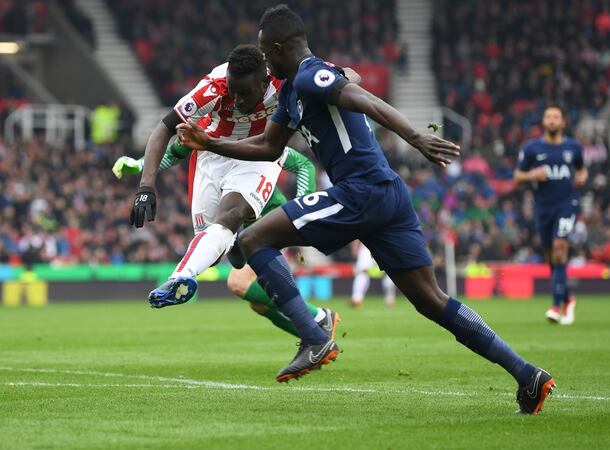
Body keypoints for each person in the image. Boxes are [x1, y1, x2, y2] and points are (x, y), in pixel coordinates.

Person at [177, 4, 554, 415]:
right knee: (432, 300)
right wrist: (210, 143)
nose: (265, 64)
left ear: (282, 47)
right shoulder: (290, 92)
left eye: (267, 54)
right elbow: (268, 146)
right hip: (386, 195)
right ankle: (527, 374)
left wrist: (415, 136)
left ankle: (315, 335)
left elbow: (363, 97)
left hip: (362, 191)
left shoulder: (309, 74)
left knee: (252, 238)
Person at [129, 44, 339, 336]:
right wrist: (146, 187)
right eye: (233, 90)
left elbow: (343, 77)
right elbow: (164, 129)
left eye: (245, 93)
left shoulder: (285, 79)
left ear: (265, 82)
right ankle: (238, 248)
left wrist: (344, 82)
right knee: (216, 252)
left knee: (232, 214)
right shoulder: (214, 88)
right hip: (211, 156)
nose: (237, 99)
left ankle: (182, 276)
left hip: (260, 152)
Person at [115, 142, 335, 338]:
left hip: (268, 219)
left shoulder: (251, 139)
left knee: (238, 282)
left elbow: (303, 165)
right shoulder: (205, 132)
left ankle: (318, 321)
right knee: (258, 303)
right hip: (242, 225)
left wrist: (297, 209)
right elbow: (173, 152)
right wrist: (139, 165)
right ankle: (316, 335)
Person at [514, 105, 588, 325]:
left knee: (559, 250)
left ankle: (556, 307)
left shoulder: (573, 147)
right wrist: (532, 175)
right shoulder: (532, 148)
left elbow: (582, 168)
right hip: (543, 208)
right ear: (543, 122)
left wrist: (582, 177)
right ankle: (568, 299)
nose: (552, 120)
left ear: (563, 122)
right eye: (548, 116)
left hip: (567, 204)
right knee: (550, 257)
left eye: (556, 116)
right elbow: (517, 177)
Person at [350, 242, 397, 308]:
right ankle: (357, 299)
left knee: (390, 272)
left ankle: (390, 298)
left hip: (384, 246)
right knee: (362, 272)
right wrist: (355, 249)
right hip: (366, 247)